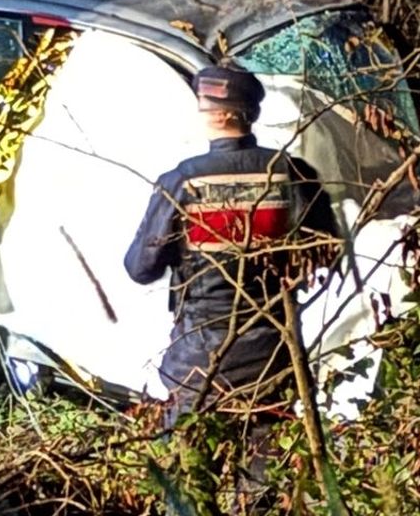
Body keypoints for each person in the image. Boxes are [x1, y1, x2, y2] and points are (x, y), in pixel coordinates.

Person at [124, 64, 337, 507]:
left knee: (186, 488)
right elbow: (328, 247)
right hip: (272, 359)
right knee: (259, 492)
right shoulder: (291, 174)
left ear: (216, 114)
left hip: (199, 362)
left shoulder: (184, 181)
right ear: (251, 114)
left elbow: (140, 267)